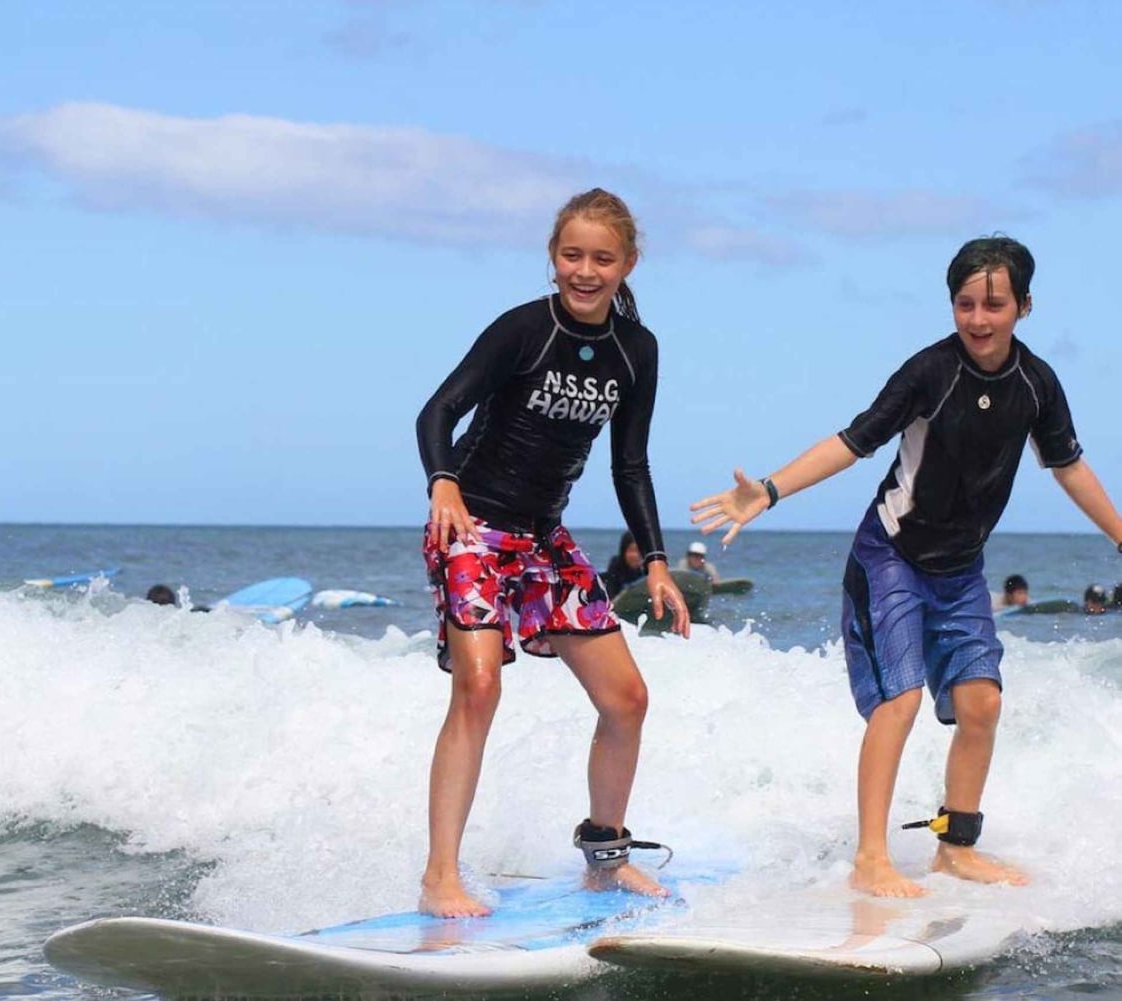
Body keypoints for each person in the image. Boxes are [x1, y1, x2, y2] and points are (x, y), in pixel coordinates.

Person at [691, 236, 1122, 898]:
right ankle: (871, 856)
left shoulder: (1036, 385)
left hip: (961, 570)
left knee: (982, 703)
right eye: (965, 303)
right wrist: (769, 491)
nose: (978, 319)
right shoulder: (930, 372)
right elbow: (853, 440)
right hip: (889, 557)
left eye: (994, 305)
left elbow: (1067, 465)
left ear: (1024, 307)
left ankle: (954, 848)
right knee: (901, 699)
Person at [415, 187, 690, 918]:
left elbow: (630, 463)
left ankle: (605, 859)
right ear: (552, 256)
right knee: (478, 685)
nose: (586, 270)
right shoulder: (523, 330)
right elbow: (439, 410)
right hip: (470, 526)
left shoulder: (637, 351)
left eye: (603, 257)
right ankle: (441, 872)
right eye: (572, 255)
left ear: (629, 262)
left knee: (627, 698)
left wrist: (656, 560)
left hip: (544, 538)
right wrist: (443, 484)